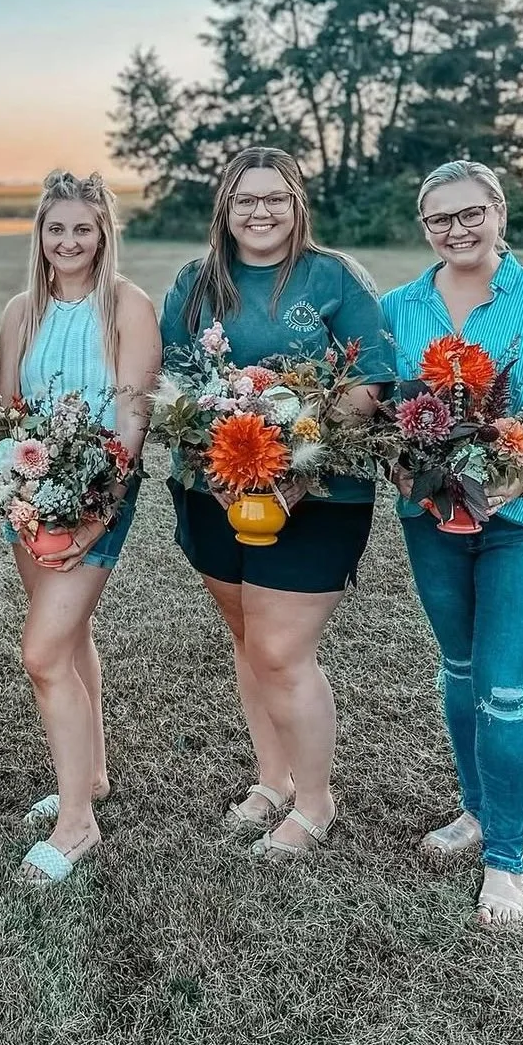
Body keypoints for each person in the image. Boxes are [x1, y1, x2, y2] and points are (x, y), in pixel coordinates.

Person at [382, 160, 523, 927]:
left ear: (499, 211)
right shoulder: (399, 309)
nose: (456, 230)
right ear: (425, 228)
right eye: (439, 219)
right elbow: (374, 413)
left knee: (506, 689)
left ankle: (506, 856)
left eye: (470, 213)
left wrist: (519, 479)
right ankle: (476, 810)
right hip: (436, 525)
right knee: (460, 667)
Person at [159, 146, 395, 861]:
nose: (260, 212)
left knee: (282, 649)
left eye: (275, 198)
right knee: (248, 644)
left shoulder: (335, 276)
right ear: (223, 210)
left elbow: (367, 386)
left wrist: (295, 472)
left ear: (298, 205)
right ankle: (273, 780)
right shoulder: (197, 283)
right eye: (245, 200)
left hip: (319, 496)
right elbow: (172, 383)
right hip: (213, 490)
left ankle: (317, 800)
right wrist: (222, 462)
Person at [0, 171, 160, 885]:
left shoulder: (126, 305)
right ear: (40, 234)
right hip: (31, 494)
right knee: (72, 634)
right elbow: (5, 410)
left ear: (102, 234)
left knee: (42, 652)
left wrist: (100, 508)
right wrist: (11, 485)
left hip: (99, 493)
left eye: (82, 229)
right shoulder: (20, 310)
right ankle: (88, 776)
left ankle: (77, 825)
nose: (68, 241)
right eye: (55, 228)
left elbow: (132, 415)